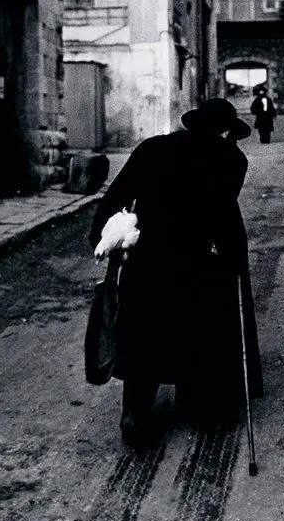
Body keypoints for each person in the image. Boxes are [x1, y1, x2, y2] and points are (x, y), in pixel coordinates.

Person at [88, 98, 263, 446]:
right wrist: (234, 257)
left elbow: (116, 196)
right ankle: (198, 402)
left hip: (146, 257)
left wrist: (101, 237)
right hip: (195, 260)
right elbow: (224, 215)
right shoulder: (231, 159)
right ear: (225, 131)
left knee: (143, 332)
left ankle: (134, 413)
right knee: (196, 326)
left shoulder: (152, 148)